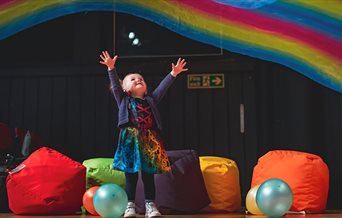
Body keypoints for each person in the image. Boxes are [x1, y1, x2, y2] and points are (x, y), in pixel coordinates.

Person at [99, 51, 188, 218]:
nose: (138, 80)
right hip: (130, 141)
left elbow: (162, 88)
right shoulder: (123, 99)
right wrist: (111, 68)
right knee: (131, 176)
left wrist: (173, 74)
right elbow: (115, 86)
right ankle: (129, 206)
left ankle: (150, 205)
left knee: (148, 176)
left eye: (140, 78)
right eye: (132, 79)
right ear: (125, 88)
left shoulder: (151, 100)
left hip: (149, 141)